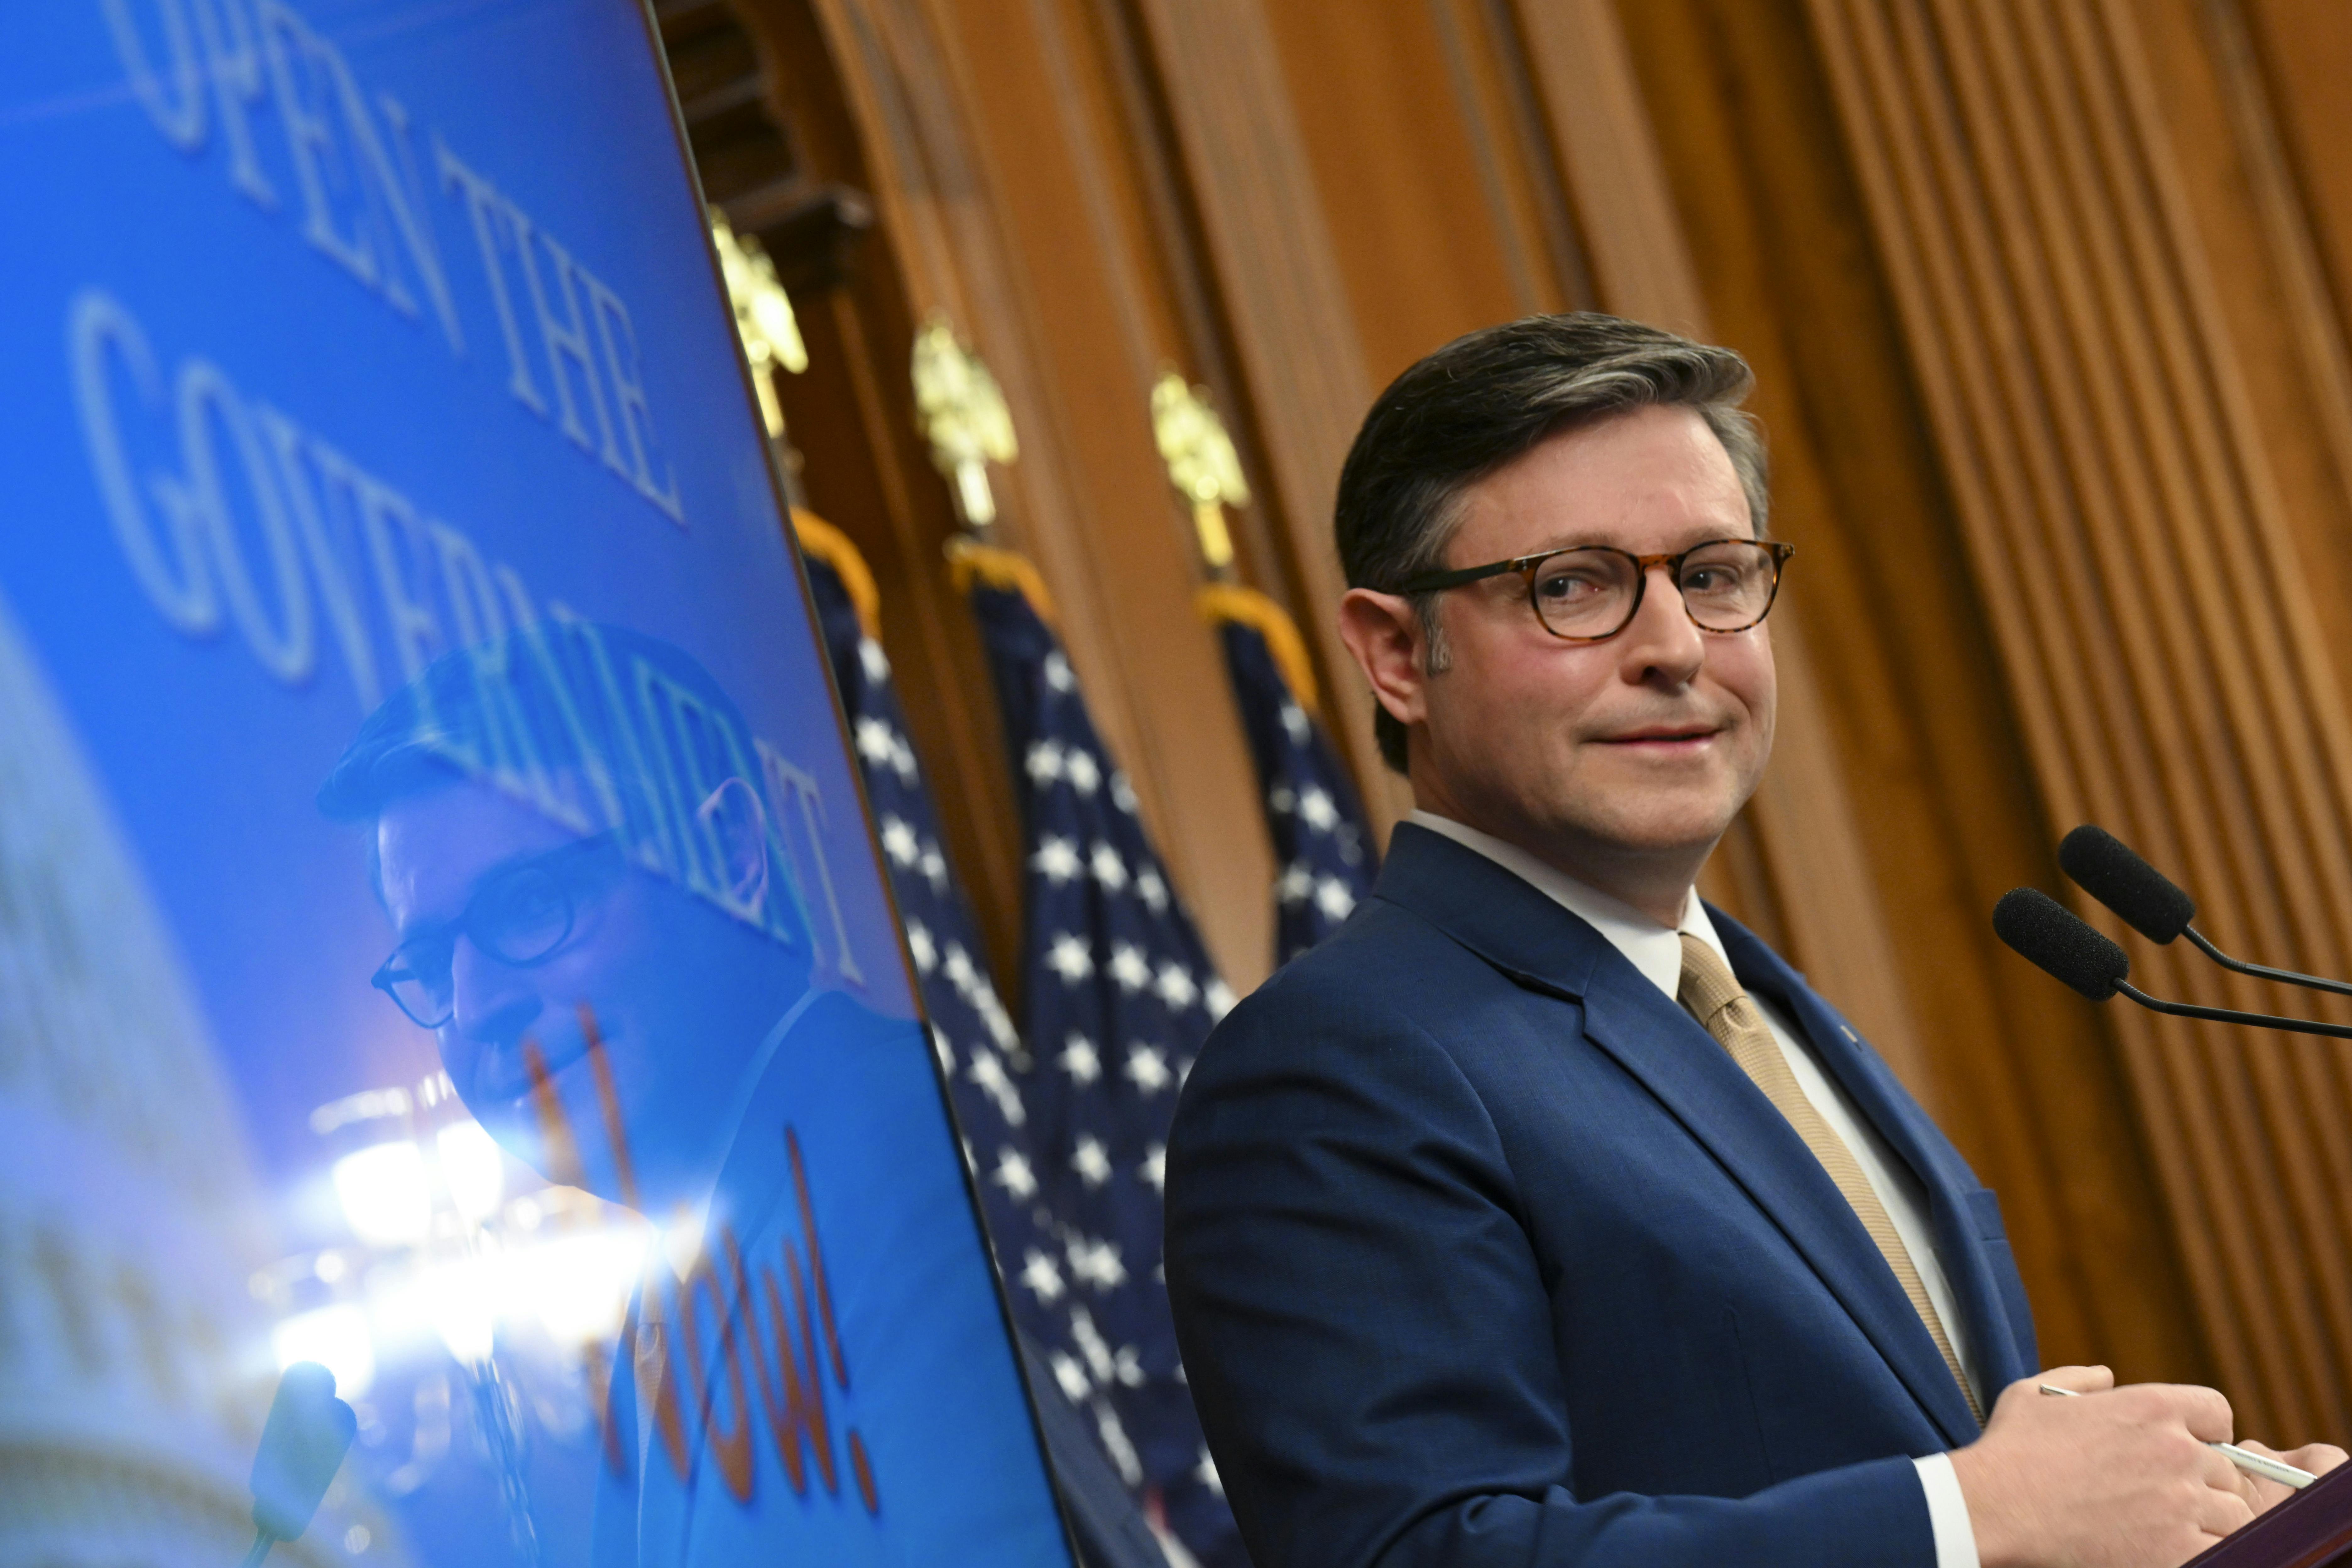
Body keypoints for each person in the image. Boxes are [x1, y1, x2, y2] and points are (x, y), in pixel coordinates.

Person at [1161, 314, 2345, 1568]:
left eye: (1715, 575)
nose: (1675, 647)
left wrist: (2228, 1523)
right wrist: (1971, 1516)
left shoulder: (1762, 1009)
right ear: (1401, 655)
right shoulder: (1336, 1065)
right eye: (1574, 586)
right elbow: (1422, 1556)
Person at [318, 621, 1071, 1568]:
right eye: (432, 961)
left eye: (533, 904)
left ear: (729, 854)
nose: (475, 1005)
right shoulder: (681, 1281)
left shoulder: (900, 1164)